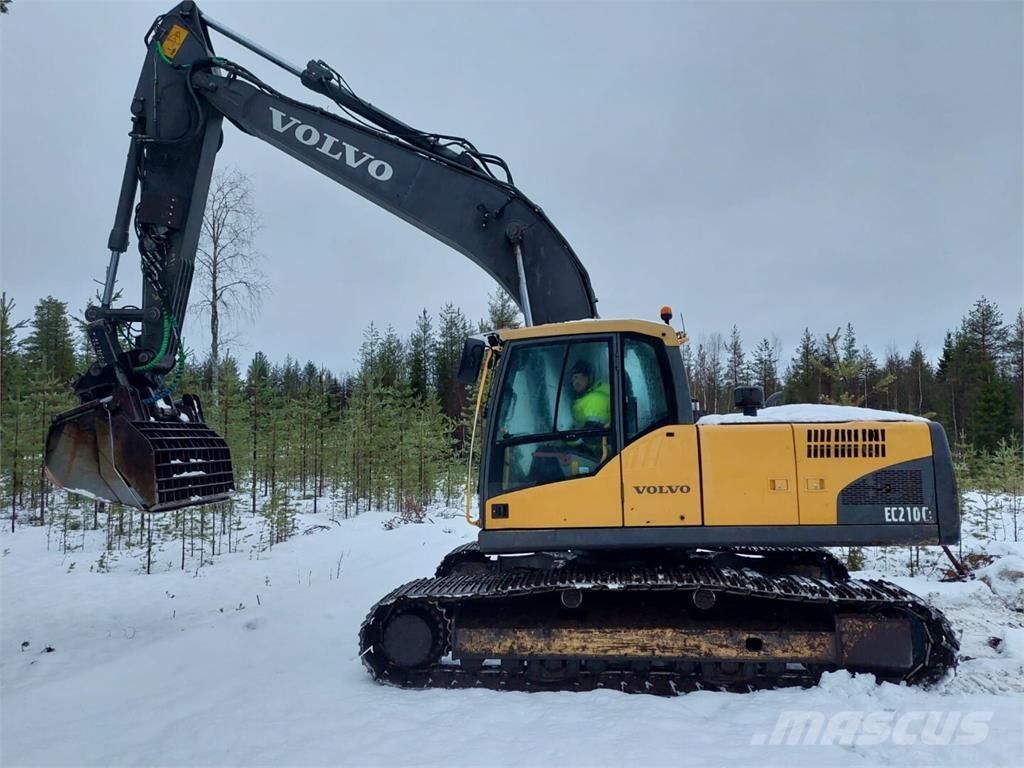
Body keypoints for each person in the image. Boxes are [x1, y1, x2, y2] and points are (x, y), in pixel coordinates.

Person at [569, 359, 610, 429]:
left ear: (590, 378)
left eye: (580, 377)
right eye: (574, 378)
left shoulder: (595, 400)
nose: (576, 382)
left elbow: (593, 435)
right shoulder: (587, 397)